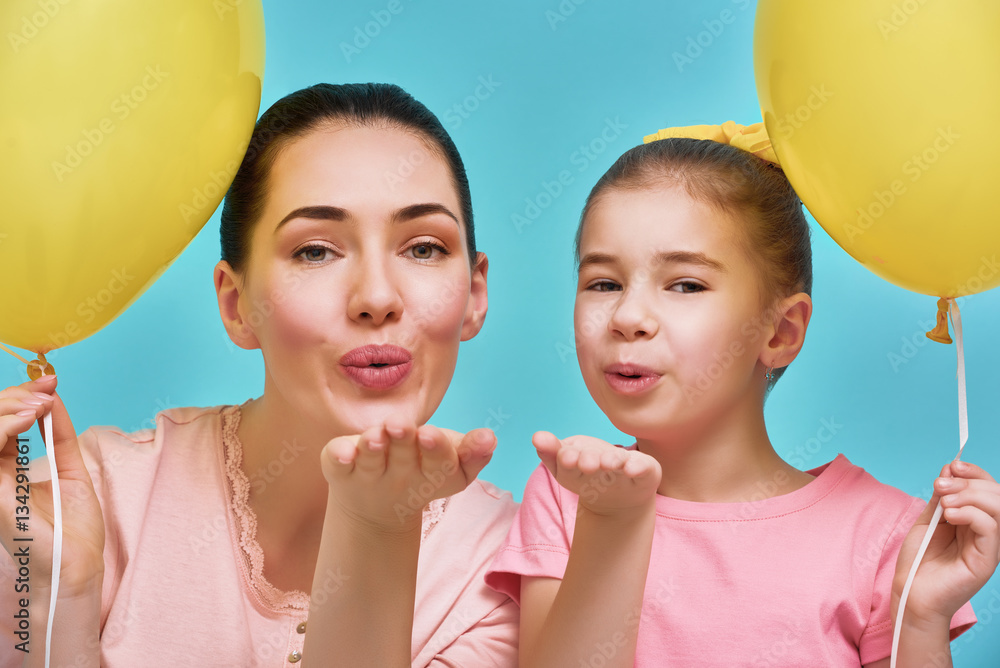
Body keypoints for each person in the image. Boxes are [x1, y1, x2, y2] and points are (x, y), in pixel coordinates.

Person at [0, 83, 520, 667]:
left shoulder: (507, 568)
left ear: (475, 294)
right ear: (236, 303)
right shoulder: (84, 501)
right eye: (315, 251)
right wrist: (61, 596)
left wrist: (377, 525)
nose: (377, 298)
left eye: (423, 248)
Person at [485, 122, 1000, 667]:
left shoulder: (886, 536)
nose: (628, 317)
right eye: (604, 283)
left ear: (779, 333)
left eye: (685, 285)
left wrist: (920, 617)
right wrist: (607, 524)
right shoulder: (569, 499)